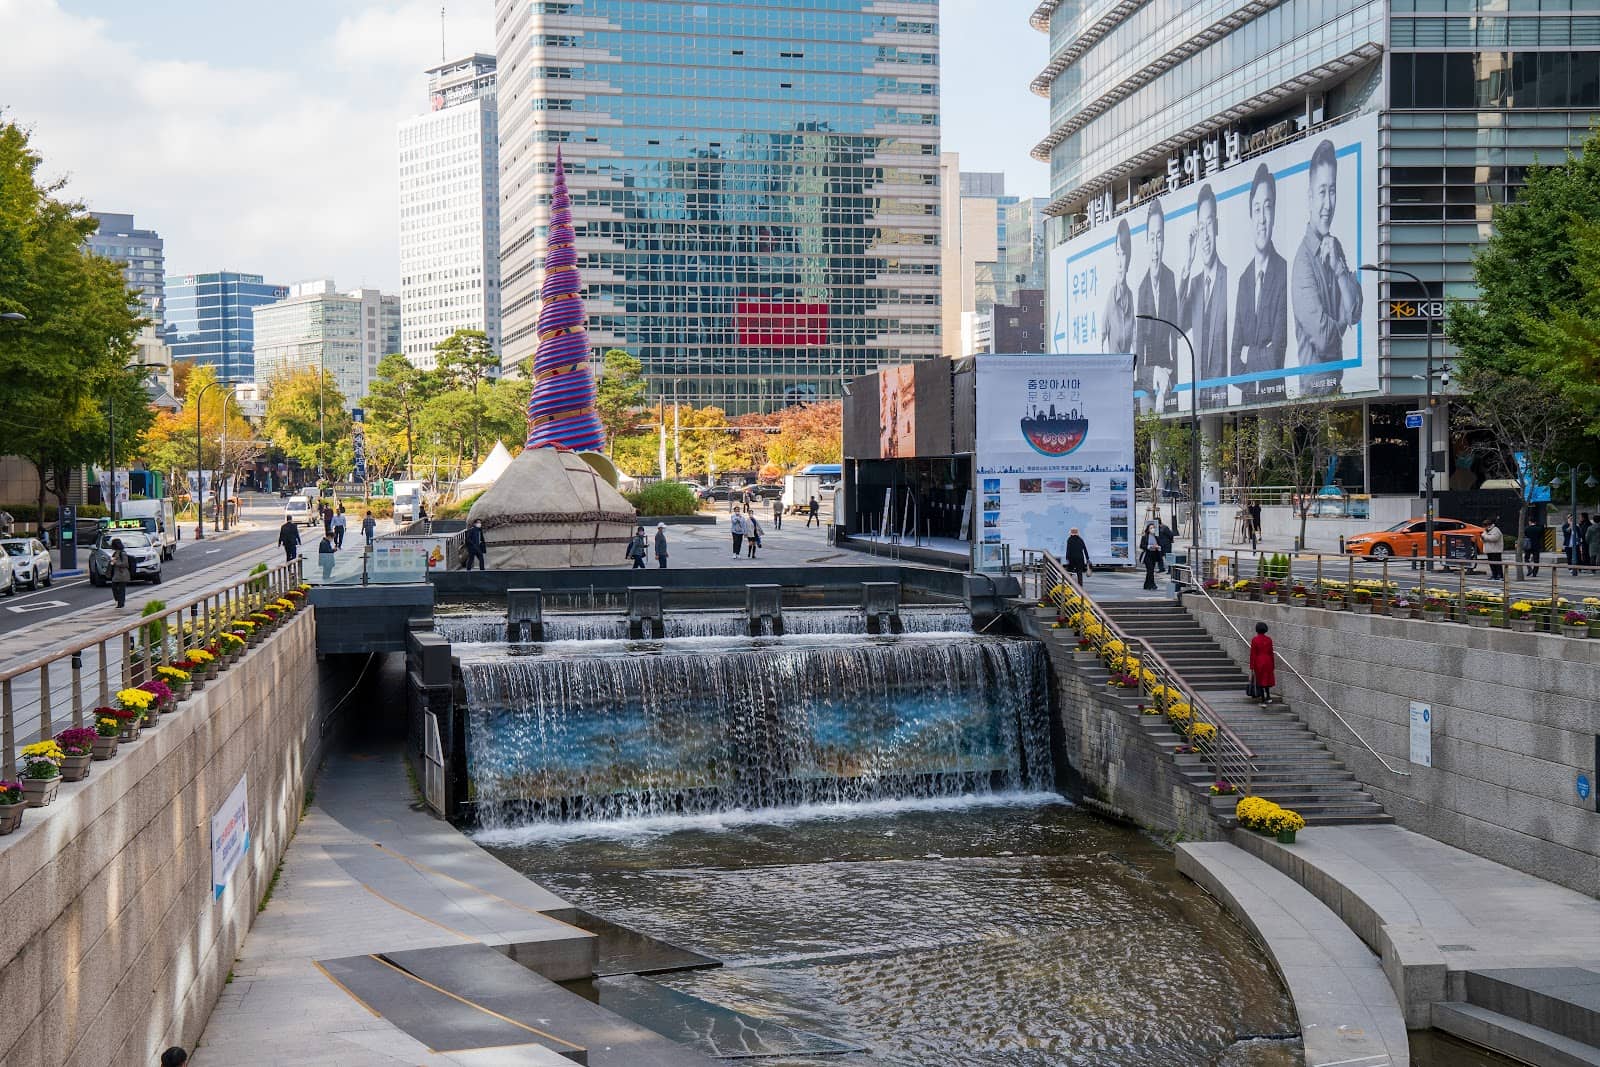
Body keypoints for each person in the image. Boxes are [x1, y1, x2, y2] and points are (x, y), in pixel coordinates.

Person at [1293, 139, 1363, 395]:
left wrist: (1340, 270)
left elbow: (1355, 312)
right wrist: (1343, 320)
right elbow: (1324, 340)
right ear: (1310, 196)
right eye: (1322, 191)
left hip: (1336, 387)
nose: (1327, 203)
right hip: (1312, 395)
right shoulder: (1303, 263)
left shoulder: (1336, 247)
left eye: (1332, 190)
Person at [1232, 163, 1289, 404]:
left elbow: (1276, 355)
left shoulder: (1284, 270)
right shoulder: (1244, 280)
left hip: (1275, 398)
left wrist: (1249, 353)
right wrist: (1258, 357)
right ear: (1250, 215)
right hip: (1246, 402)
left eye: (1268, 207)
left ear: (1275, 213)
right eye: (1257, 209)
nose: (1262, 218)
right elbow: (1234, 364)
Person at [1179, 183, 1229, 410]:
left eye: (1209, 225)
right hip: (1199, 395)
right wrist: (1187, 264)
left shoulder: (1230, 278)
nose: (1206, 236)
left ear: (1217, 227)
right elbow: (1178, 324)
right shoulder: (1196, 284)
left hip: (1226, 392)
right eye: (1201, 228)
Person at [1136, 199, 1179, 413]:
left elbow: (1178, 338)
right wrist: (1155, 373)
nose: (1155, 248)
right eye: (1151, 239)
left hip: (1173, 380)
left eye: (1159, 238)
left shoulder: (1170, 279)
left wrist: (1169, 374)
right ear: (1146, 242)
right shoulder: (1141, 290)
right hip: (1147, 388)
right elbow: (1136, 363)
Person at [1101, 217, 1136, 354]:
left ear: (1129, 258)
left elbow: (1135, 338)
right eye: (1117, 253)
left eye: (1123, 254)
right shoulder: (1111, 297)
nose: (1120, 263)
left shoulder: (1131, 297)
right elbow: (1101, 338)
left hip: (1127, 371)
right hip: (1111, 371)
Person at [1249, 622, 1276, 705]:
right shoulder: (1269, 639)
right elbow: (1271, 652)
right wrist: (1273, 664)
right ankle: (1268, 696)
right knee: (1267, 679)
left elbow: (1253, 654)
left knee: (1260, 680)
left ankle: (1263, 699)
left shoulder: (1255, 640)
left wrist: (1252, 666)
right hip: (1268, 661)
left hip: (1259, 661)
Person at [108, 538, 131, 608]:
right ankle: (119, 601)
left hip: (122, 574)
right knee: (114, 587)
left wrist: (116, 562)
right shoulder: (115, 553)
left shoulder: (122, 553)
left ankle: (121, 603)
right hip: (116, 574)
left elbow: (125, 563)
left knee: (121, 589)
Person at [1140, 522, 1163, 590]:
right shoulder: (1145, 537)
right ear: (1148, 529)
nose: (1153, 529)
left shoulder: (1156, 537)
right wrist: (1149, 546)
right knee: (1150, 570)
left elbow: (1160, 545)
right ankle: (1152, 585)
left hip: (1154, 555)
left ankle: (1146, 585)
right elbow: (1141, 546)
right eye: (1151, 528)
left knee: (1151, 571)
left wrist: (1158, 547)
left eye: (1153, 528)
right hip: (1147, 555)